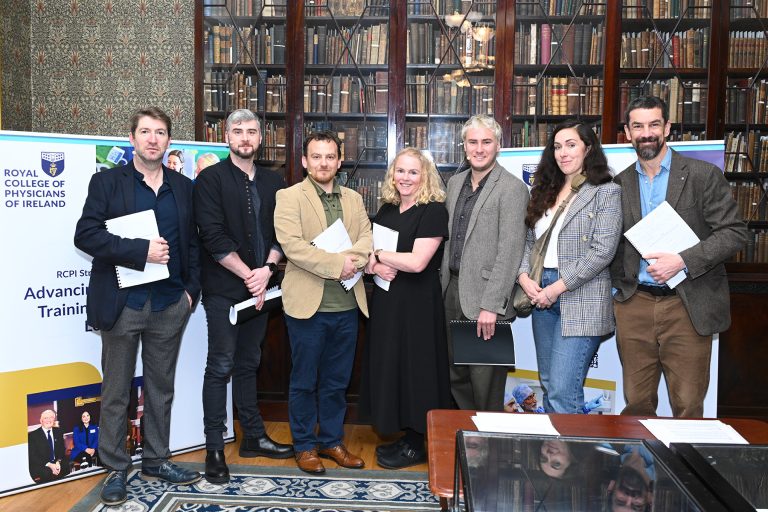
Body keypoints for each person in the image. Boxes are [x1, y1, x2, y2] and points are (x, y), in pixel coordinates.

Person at [74, 106, 202, 505]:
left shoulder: (184, 187)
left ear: (169, 141)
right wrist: (139, 251)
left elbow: (193, 244)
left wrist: (189, 293)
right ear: (132, 139)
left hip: (170, 303)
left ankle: (156, 460)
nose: (152, 139)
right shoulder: (107, 182)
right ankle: (115, 468)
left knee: (161, 388)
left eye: (160, 132)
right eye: (145, 132)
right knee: (116, 390)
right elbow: (85, 235)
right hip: (123, 303)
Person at [611, 96, 749, 418]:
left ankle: (684, 455)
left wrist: (683, 260)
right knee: (636, 405)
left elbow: (734, 233)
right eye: (638, 126)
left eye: (654, 124)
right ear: (628, 133)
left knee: (688, 407)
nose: (646, 133)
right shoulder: (619, 184)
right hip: (635, 305)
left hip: (687, 303)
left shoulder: (702, 175)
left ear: (667, 128)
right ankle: (640, 455)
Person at [194, 109, 291, 484]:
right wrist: (251, 276)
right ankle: (214, 448)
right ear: (226, 137)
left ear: (261, 138)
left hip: (262, 287)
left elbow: (281, 233)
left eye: (252, 131)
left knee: (250, 362)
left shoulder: (273, 181)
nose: (245, 137)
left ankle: (253, 437)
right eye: (238, 131)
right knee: (220, 365)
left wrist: (266, 270)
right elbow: (212, 236)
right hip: (225, 289)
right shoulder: (210, 179)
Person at [274, 130, 371, 475]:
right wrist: (337, 265)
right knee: (304, 381)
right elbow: (293, 247)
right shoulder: (289, 197)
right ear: (305, 161)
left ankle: (331, 441)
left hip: (346, 306)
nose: (323, 163)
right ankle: (304, 446)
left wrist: (351, 261)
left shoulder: (354, 199)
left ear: (339, 161)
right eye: (316, 156)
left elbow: (366, 239)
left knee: (336, 382)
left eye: (330, 156)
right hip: (307, 307)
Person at [517, 120, 622, 414]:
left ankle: (572, 446)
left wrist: (555, 289)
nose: (563, 153)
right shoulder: (544, 190)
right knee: (549, 384)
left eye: (571, 145)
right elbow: (528, 241)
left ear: (588, 149)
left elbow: (602, 251)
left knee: (563, 391)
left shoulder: (605, 191)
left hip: (580, 296)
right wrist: (523, 277)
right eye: (557, 146)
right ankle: (554, 446)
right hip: (539, 293)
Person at [359, 148, 452, 469]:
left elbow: (417, 262)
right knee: (393, 366)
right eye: (400, 171)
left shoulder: (433, 211)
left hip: (417, 306)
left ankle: (417, 443)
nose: (406, 178)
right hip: (387, 303)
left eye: (413, 172)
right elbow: (367, 256)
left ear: (425, 176)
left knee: (417, 370)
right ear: (392, 174)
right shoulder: (387, 209)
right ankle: (404, 434)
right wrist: (373, 262)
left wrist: (379, 257)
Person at [440, 114, 529, 411]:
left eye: (486, 142)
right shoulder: (455, 184)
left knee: (485, 384)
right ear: (464, 146)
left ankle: (487, 438)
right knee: (456, 377)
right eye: (473, 142)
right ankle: (466, 433)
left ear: (498, 145)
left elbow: (510, 251)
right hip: (451, 292)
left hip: (485, 301)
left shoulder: (513, 188)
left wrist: (491, 306)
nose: (479, 149)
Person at [28, 410, 70, 483]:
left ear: (54, 420)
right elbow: (33, 456)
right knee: (47, 472)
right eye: (46, 418)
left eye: (51, 417)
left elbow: (62, 449)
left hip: (56, 461)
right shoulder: (33, 436)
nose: (49, 420)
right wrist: (50, 465)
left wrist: (58, 462)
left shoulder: (58, 431)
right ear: (41, 421)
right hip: (42, 464)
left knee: (66, 466)